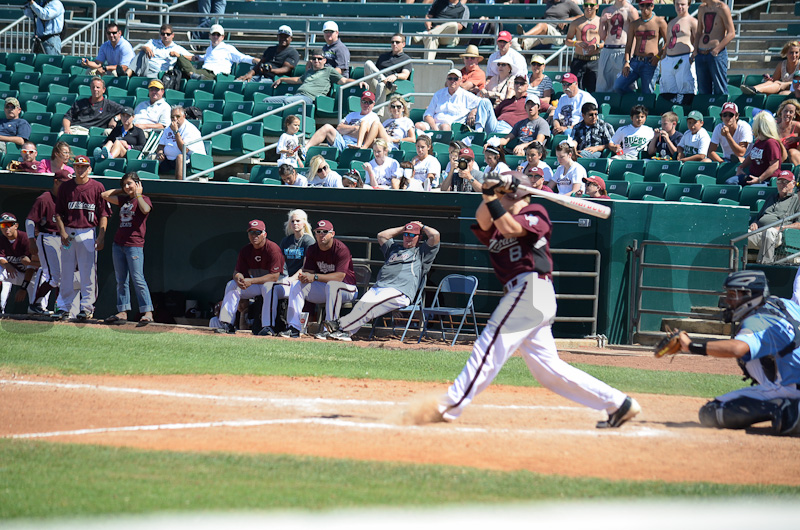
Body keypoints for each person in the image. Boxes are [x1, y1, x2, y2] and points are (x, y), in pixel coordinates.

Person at [424, 172, 640, 428]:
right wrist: (489, 192)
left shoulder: (536, 211)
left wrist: (499, 194)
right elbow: (484, 220)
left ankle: (448, 406)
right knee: (548, 371)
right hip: (528, 296)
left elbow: (511, 228)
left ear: (514, 195)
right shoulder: (498, 216)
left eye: (503, 197)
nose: (498, 202)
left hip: (531, 289)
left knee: (489, 346)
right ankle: (618, 403)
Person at [674, 270, 800, 436]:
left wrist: (691, 346)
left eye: (733, 294)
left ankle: (789, 410)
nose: (728, 300)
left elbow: (736, 348)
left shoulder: (757, 320)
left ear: (750, 295)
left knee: (711, 412)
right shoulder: (788, 305)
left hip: (791, 388)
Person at [323, 221, 440, 341]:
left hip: (399, 290)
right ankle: (345, 334)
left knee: (369, 306)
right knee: (361, 306)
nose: (408, 238)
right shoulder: (394, 249)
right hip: (379, 286)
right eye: (406, 235)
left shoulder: (421, 253)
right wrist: (404, 228)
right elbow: (381, 235)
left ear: (419, 238)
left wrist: (421, 227)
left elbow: (435, 236)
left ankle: (338, 325)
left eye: (412, 235)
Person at [52, 155, 111, 321]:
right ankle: (63, 307)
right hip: (69, 232)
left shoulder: (97, 187)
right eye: (77, 166)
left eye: (84, 167)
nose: (80, 169)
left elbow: (104, 214)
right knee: (66, 272)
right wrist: (62, 232)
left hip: (88, 231)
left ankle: (86, 308)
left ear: (90, 169)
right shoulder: (65, 188)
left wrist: (101, 236)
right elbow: (58, 213)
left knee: (88, 272)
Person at [280, 219, 357, 339]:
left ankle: (329, 329)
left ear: (332, 234)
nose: (321, 234)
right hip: (325, 288)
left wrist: (315, 277)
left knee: (333, 286)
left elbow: (339, 277)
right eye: (318, 231)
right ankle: (293, 327)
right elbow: (309, 272)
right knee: (296, 285)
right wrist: (305, 277)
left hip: (347, 288)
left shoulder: (341, 249)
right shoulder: (312, 249)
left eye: (325, 231)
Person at [100, 172, 154, 327]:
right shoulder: (124, 199)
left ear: (138, 184)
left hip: (134, 245)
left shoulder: (143, 199)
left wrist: (138, 194)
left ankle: (147, 312)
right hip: (118, 244)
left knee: (138, 278)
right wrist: (122, 191)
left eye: (130, 183)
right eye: (124, 184)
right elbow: (105, 195)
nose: (127, 186)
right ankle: (123, 311)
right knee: (121, 280)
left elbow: (145, 210)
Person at [214, 219, 285, 335]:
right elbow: (237, 271)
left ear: (264, 234)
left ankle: (268, 327)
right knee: (232, 285)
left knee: (268, 288)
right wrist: (239, 278)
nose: (254, 235)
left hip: (280, 285)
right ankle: (227, 324)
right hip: (257, 284)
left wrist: (250, 281)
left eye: (258, 232)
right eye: (251, 232)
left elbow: (274, 277)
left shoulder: (273, 249)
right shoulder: (246, 250)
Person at [25, 171, 71, 315]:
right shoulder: (45, 198)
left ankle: (58, 307)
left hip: (62, 239)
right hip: (47, 236)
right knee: (53, 276)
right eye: (64, 183)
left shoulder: (66, 199)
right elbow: (30, 220)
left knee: (61, 276)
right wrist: (31, 240)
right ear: (56, 181)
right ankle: (35, 304)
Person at [265, 209, 316, 335]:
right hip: (286, 279)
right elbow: (281, 262)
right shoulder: (286, 241)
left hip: (301, 281)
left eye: (298, 221)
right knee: (270, 288)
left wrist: (291, 279)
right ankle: (268, 325)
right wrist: (283, 277)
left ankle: (293, 327)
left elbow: (306, 267)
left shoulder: (309, 241)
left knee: (294, 287)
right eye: (292, 221)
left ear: (304, 223)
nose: (295, 224)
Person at [263, 50, 367, 109]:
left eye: (319, 59)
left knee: (288, 101)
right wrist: (282, 79)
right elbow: (298, 80)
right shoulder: (309, 72)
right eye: (314, 59)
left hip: (310, 99)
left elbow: (343, 81)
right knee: (266, 100)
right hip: (297, 96)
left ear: (324, 60)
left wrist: (358, 82)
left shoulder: (329, 70)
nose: (316, 61)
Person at [613, 0, 666, 95]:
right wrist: (626, 62)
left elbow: (669, 42)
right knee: (618, 85)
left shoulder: (659, 22)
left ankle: (644, 106)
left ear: (652, 6)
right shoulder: (634, 24)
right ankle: (636, 101)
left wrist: (658, 57)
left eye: (648, 5)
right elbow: (628, 44)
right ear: (639, 6)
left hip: (650, 62)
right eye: (642, 5)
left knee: (648, 92)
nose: (645, 8)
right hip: (635, 61)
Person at [747, 170, 800, 264]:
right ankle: (737, 265)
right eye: (780, 181)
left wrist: (782, 227)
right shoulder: (771, 197)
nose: (782, 184)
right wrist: (754, 223)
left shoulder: (797, 199)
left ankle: (764, 265)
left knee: (770, 232)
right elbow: (759, 216)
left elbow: (798, 224)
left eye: (786, 182)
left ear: (794, 184)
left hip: (781, 234)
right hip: (760, 231)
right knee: (742, 234)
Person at [304, 91, 380, 151]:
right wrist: (355, 128)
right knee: (327, 127)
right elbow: (339, 128)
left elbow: (368, 135)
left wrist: (347, 130)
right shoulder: (352, 114)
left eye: (369, 102)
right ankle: (305, 149)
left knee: (364, 124)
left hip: (357, 146)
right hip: (343, 142)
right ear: (360, 102)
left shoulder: (374, 117)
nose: (366, 104)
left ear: (373, 104)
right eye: (364, 101)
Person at [176, 24, 256, 80]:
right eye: (214, 34)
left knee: (186, 70)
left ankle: (192, 75)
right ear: (210, 35)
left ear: (222, 37)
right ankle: (192, 75)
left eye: (218, 35)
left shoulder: (228, 48)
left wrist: (255, 60)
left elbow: (242, 57)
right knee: (180, 59)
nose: (215, 37)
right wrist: (180, 56)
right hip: (204, 71)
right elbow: (200, 57)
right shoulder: (209, 49)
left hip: (217, 75)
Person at [728, 111, 784, 187]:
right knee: (730, 182)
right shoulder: (758, 141)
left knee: (750, 189)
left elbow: (774, 165)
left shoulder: (771, 143)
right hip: (752, 176)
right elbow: (751, 157)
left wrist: (759, 179)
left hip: (766, 180)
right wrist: (740, 167)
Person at [416, 69, 482, 132]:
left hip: (453, 128)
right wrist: (434, 127)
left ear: (460, 81)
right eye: (450, 78)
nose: (452, 81)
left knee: (444, 127)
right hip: (434, 125)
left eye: (455, 79)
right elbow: (428, 115)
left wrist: (474, 111)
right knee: (418, 126)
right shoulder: (438, 94)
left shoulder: (466, 95)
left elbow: (483, 103)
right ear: (446, 80)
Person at [693, 0, 735, 95]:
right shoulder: (702, 8)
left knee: (720, 89)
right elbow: (699, 31)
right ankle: (705, 110)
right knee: (703, 90)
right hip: (700, 53)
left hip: (715, 54)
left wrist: (717, 49)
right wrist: (695, 50)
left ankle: (720, 109)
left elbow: (731, 33)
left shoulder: (722, 8)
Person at [659, 0, 697, 105]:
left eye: (683, 4)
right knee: (667, 89)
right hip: (669, 58)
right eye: (677, 4)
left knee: (686, 88)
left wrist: (694, 56)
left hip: (684, 57)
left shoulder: (692, 21)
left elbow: (697, 41)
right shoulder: (671, 22)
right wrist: (663, 57)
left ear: (688, 5)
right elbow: (668, 41)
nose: (680, 7)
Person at [597, 0, 639, 93]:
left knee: (622, 85)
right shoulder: (606, 10)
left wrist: (629, 57)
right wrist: (602, 21)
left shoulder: (631, 11)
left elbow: (636, 36)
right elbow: (602, 36)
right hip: (607, 49)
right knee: (603, 86)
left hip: (623, 50)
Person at [155, 105, 206, 181]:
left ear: (184, 116)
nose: (175, 119)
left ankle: (179, 185)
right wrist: (160, 153)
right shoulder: (168, 128)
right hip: (170, 160)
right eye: (172, 117)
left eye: (178, 116)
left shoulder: (190, 129)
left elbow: (184, 150)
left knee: (180, 157)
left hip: (193, 160)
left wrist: (176, 132)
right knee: (151, 158)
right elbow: (161, 146)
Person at [0, 212, 37, 313]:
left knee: (35, 308)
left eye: (9, 225)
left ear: (16, 226)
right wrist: (6, 265)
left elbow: (32, 267)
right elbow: (1, 258)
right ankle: (1, 308)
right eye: (3, 225)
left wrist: (23, 288)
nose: (6, 228)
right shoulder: (2, 240)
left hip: (32, 276)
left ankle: (36, 311)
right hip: (15, 274)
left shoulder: (25, 239)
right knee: (1, 270)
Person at [364, 33, 412, 108]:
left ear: (403, 44)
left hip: (390, 86)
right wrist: (383, 79)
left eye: (397, 42)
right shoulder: (383, 56)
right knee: (368, 63)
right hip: (378, 82)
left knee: (381, 85)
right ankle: (383, 80)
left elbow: (405, 75)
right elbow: (374, 71)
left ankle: (377, 116)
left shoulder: (406, 59)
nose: (394, 44)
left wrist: (396, 75)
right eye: (392, 42)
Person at [127, 24, 192, 79]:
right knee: (142, 53)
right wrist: (146, 48)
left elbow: (192, 57)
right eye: (163, 34)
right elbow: (143, 47)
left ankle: (128, 75)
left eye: (168, 34)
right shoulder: (153, 42)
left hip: (160, 72)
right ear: (160, 35)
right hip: (147, 68)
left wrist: (178, 55)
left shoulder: (177, 48)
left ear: (173, 35)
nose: (165, 36)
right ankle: (126, 75)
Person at [515, 0, 582, 51]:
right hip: (544, 33)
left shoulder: (569, 3)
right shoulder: (549, 3)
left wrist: (567, 20)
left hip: (557, 35)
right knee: (515, 43)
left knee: (542, 25)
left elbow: (582, 16)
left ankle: (524, 35)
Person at [565, 0, 602, 93]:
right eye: (586, 5)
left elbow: (607, 41)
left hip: (594, 60)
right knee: (576, 91)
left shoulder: (601, 21)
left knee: (593, 91)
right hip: (578, 59)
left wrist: (597, 46)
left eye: (591, 5)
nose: (589, 7)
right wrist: (575, 43)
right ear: (583, 6)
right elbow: (567, 41)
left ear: (597, 6)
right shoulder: (576, 22)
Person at [776, 99, 800, 166]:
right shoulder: (774, 125)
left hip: (792, 157)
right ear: (781, 112)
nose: (787, 114)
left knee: (792, 151)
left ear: (794, 114)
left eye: (791, 112)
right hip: (776, 156)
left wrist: (797, 139)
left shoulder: (797, 126)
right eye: (785, 111)